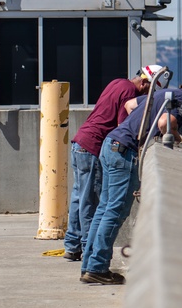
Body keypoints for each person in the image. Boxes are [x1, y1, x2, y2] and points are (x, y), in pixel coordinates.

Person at [80, 75, 182, 285]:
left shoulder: (167, 93)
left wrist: (143, 126)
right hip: (123, 152)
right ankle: (97, 268)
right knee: (115, 212)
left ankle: (89, 265)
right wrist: (181, 139)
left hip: (111, 144)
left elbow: (130, 105)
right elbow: (166, 124)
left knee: (103, 209)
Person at [63, 64, 169, 262]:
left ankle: (72, 244)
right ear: (146, 83)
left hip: (80, 142)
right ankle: (88, 247)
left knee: (79, 195)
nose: (150, 96)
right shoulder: (129, 92)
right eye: (151, 90)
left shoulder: (117, 82)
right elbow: (124, 124)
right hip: (93, 146)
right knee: (91, 200)